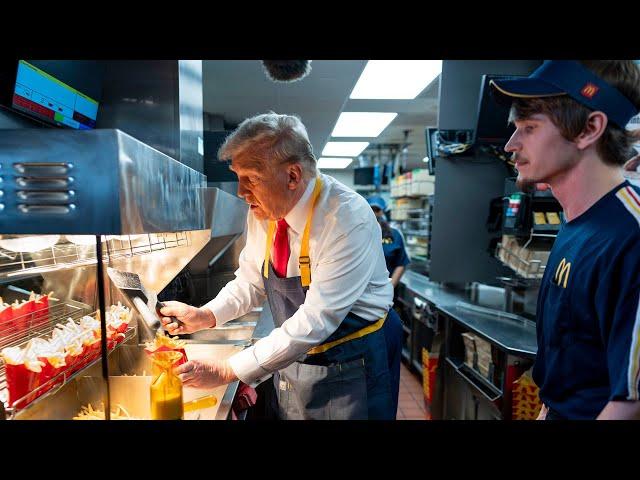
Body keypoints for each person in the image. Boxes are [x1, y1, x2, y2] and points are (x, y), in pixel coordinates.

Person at [160, 113, 403, 419]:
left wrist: (228, 369)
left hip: (354, 355)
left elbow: (317, 319)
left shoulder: (346, 218)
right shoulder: (266, 210)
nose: (240, 191)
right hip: (300, 350)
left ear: (292, 176)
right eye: (238, 177)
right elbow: (250, 281)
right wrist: (206, 315)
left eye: (251, 178)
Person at [491, 60, 640, 420]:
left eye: (529, 127)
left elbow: (629, 401)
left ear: (590, 128)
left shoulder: (629, 237)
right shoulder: (576, 223)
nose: (511, 145)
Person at [367, 195, 411, 291]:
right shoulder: (358, 233)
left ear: (382, 211)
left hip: (385, 291)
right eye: (371, 210)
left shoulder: (394, 235)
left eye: (377, 210)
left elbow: (401, 263)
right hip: (361, 292)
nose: (374, 214)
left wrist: (389, 289)